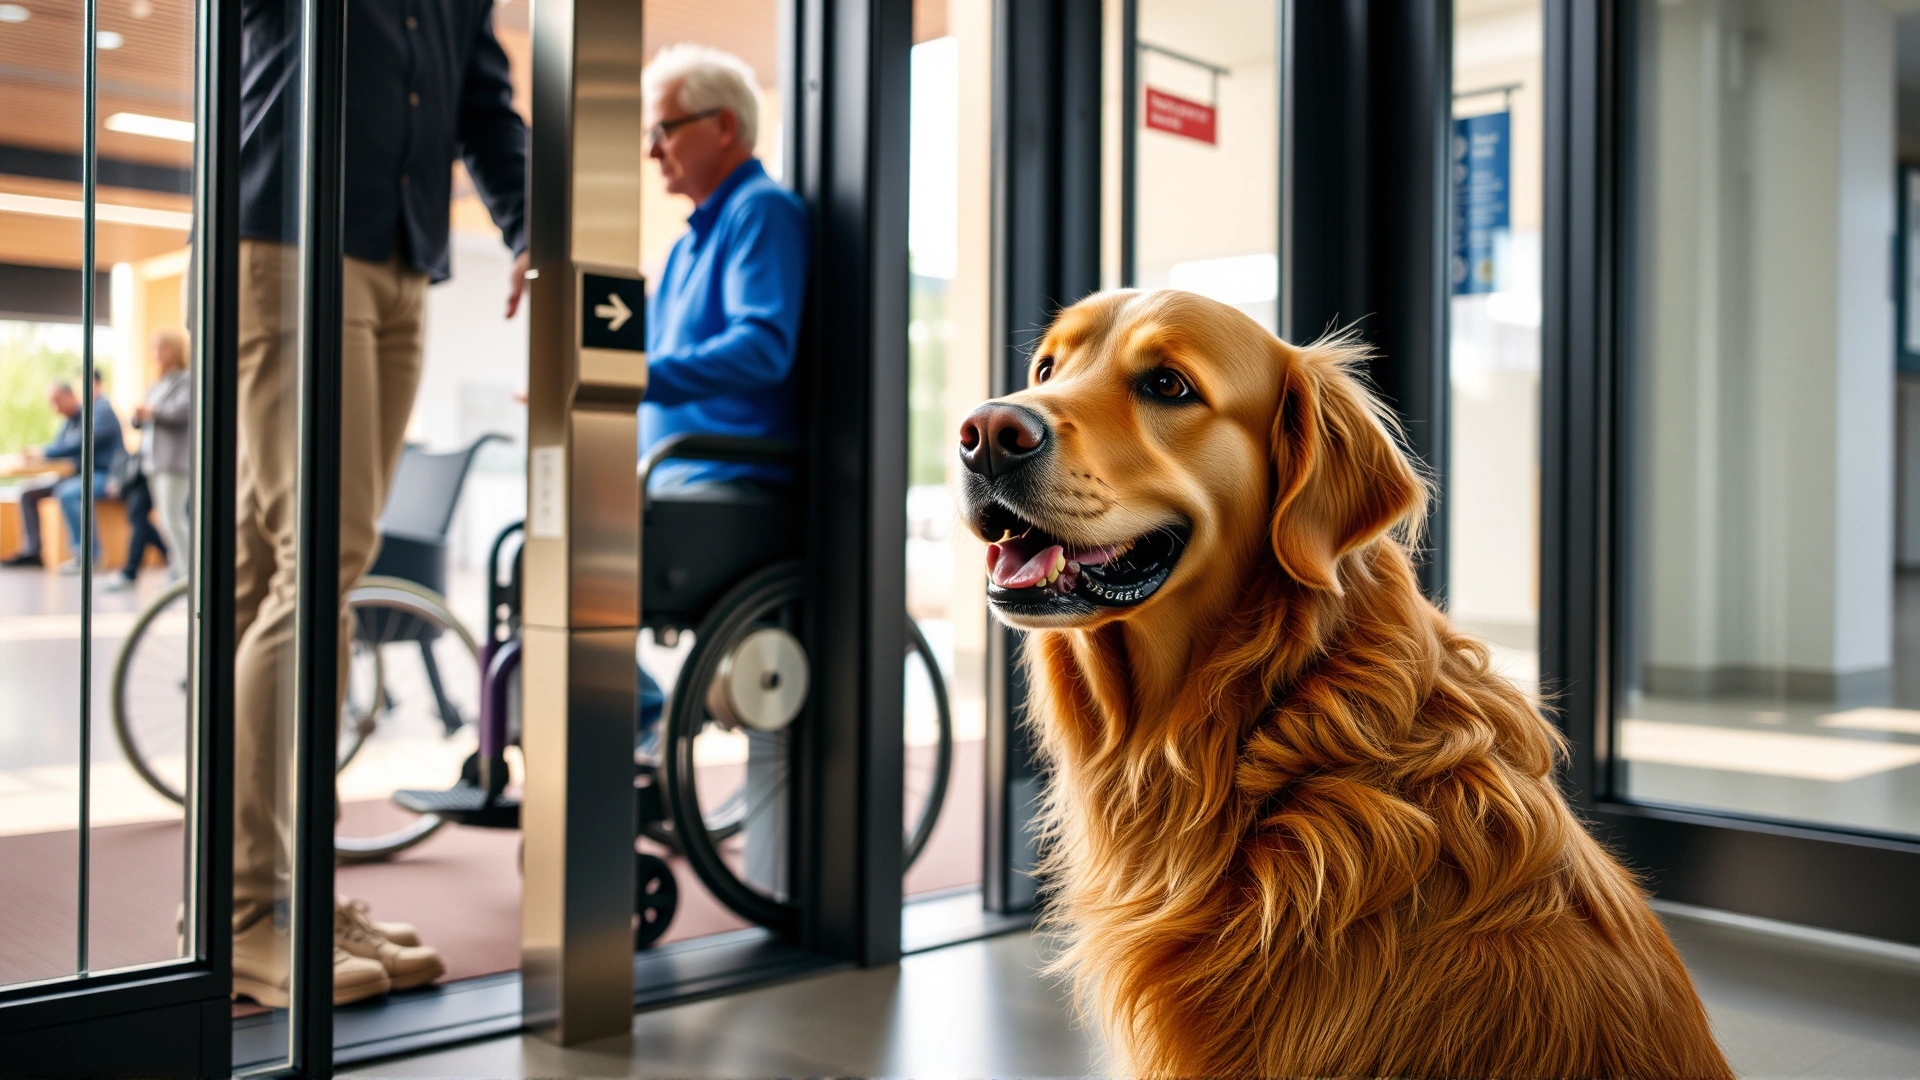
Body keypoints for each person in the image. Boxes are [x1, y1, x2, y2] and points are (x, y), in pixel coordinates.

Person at [233, 0, 528, 1006]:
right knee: (319, 569)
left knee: (275, 575)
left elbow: (483, 105)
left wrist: (530, 223)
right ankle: (245, 915)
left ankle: (292, 897)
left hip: (401, 259)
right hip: (286, 239)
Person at [635, 45, 808, 733]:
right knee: (534, 553)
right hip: (675, 482)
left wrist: (635, 377)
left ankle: (651, 737)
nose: (652, 151)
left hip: (729, 485)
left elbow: (763, 348)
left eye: (664, 130)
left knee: (568, 569)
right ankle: (649, 738)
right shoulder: (682, 249)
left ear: (725, 126)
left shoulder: (761, 213)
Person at [2, 373, 124, 572]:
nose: (55, 408)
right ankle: (33, 552)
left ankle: (88, 557)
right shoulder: (72, 420)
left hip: (104, 475)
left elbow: (80, 444)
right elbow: (59, 447)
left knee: (68, 493)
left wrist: (41, 452)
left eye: (57, 401)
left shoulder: (101, 411)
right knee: (28, 493)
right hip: (77, 475)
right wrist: (38, 455)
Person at [106, 327, 193, 592]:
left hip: (174, 462)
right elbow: (140, 422)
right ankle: (179, 569)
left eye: (161, 348)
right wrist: (140, 415)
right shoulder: (157, 384)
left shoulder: (187, 379)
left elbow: (183, 412)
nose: (156, 354)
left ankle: (189, 572)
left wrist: (152, 411)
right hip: (151, 462)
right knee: (165, 519)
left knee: (174, 517)